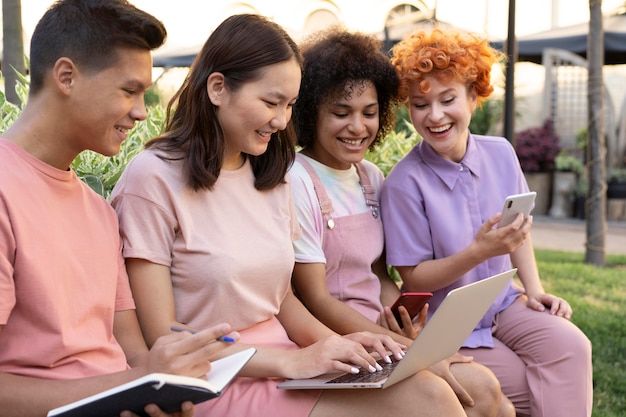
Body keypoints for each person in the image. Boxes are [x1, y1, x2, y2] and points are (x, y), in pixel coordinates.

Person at [111, 13, 472, 417]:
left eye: (290, 105)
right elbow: (163, 336)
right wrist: (291, 361)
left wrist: (341, 345)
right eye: (270, 102)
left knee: (431, 395)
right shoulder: (153, 178)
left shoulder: (270, 174)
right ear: (217, 88)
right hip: (214, 378)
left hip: (290, 362)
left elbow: (281, 299)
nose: (282, 121)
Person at [0, 2, 236, 417]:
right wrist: (133, 384)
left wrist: (169, 382)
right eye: (129, 90)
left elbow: (131, 354)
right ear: (67, 77)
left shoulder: (100, 211)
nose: (142, 111)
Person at [289, 27, 514, 417]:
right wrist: (407, 350)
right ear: (311, 112)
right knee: (459, 398)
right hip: (337, 342)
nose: (357, 127)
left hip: (382, 334)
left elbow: (379, 277)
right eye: (341, 113)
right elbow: (315, 298)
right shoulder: (297, 180)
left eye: (369, 113)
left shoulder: (369, 178)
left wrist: (409, 328)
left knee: (487, 391)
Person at [380, 28, 593, 417]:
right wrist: (479, 252)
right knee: (531, 386)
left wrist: (535, 289)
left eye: (447, 99)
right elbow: (414, 279)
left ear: (473, 96)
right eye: (420, 104)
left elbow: (519, 232)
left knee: (573, 347)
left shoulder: (502, 153)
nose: (436, 115)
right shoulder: (403, 184)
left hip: (506, 304)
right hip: (450, 325)